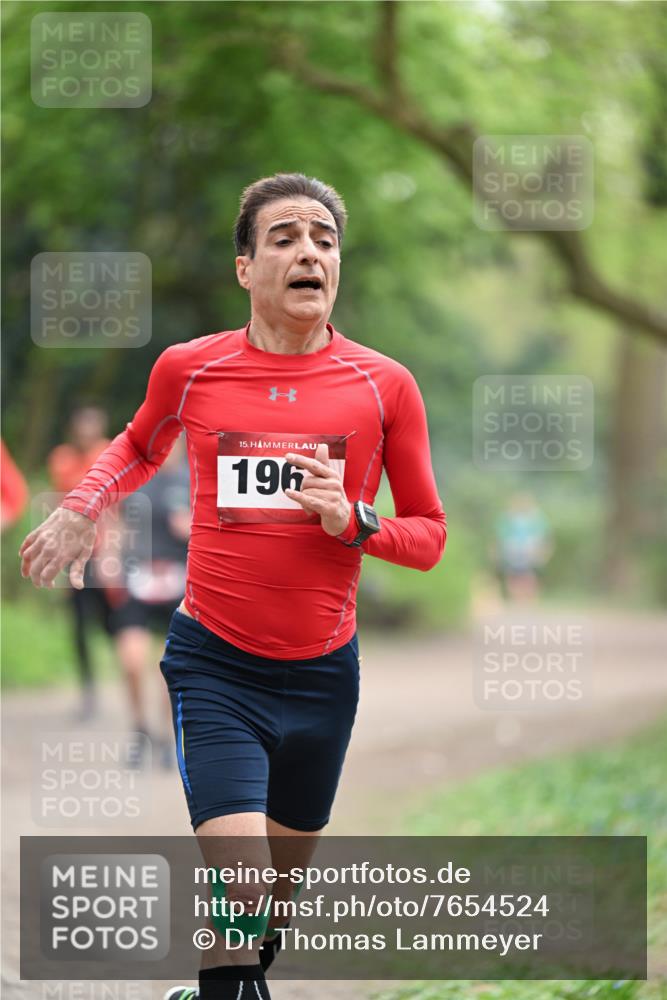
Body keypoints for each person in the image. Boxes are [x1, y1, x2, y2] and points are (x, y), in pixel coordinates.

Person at [19, 172, 447, 999]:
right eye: (284, 237)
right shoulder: (193, 368)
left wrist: (356, 522)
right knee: (241, 889)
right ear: (245, 268)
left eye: (323, 239)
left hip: (325, 675)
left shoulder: (382, 386)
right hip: (215, 665)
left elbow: (427, 536)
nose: (308, 252)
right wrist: (81, 507)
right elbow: (140, 446)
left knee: (258, 925)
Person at [112, 434, 190, 764]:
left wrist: (191, 527)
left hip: (178, 583)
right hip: (138, 580)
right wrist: (110, 560)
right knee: (132, 659)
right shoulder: (136, 477)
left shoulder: (195, 479)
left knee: (168, 668)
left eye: (174, 442)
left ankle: (167, 736)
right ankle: (140, 729)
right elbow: (115, 520)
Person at [46, 406, 115, 719]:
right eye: (82, 428)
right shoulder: (62, 459)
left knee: (114, 623)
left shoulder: (109, 454)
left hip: (105, 554)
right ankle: (89, 692)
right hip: (74, 556)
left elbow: (120, 509)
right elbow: (58, 506)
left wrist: (114, 552)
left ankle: (129, 679)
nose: (87, 434)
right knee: (79, 627)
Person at [493, 492, 552, 602]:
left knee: (529, 574)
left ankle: (529, 598)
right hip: (512, 550)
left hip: (530, 551)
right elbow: (499, 537)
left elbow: (544, 537)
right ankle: (516, 598)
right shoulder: (506, 518)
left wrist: (543, 551)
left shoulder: (537, 518)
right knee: (513, 574)